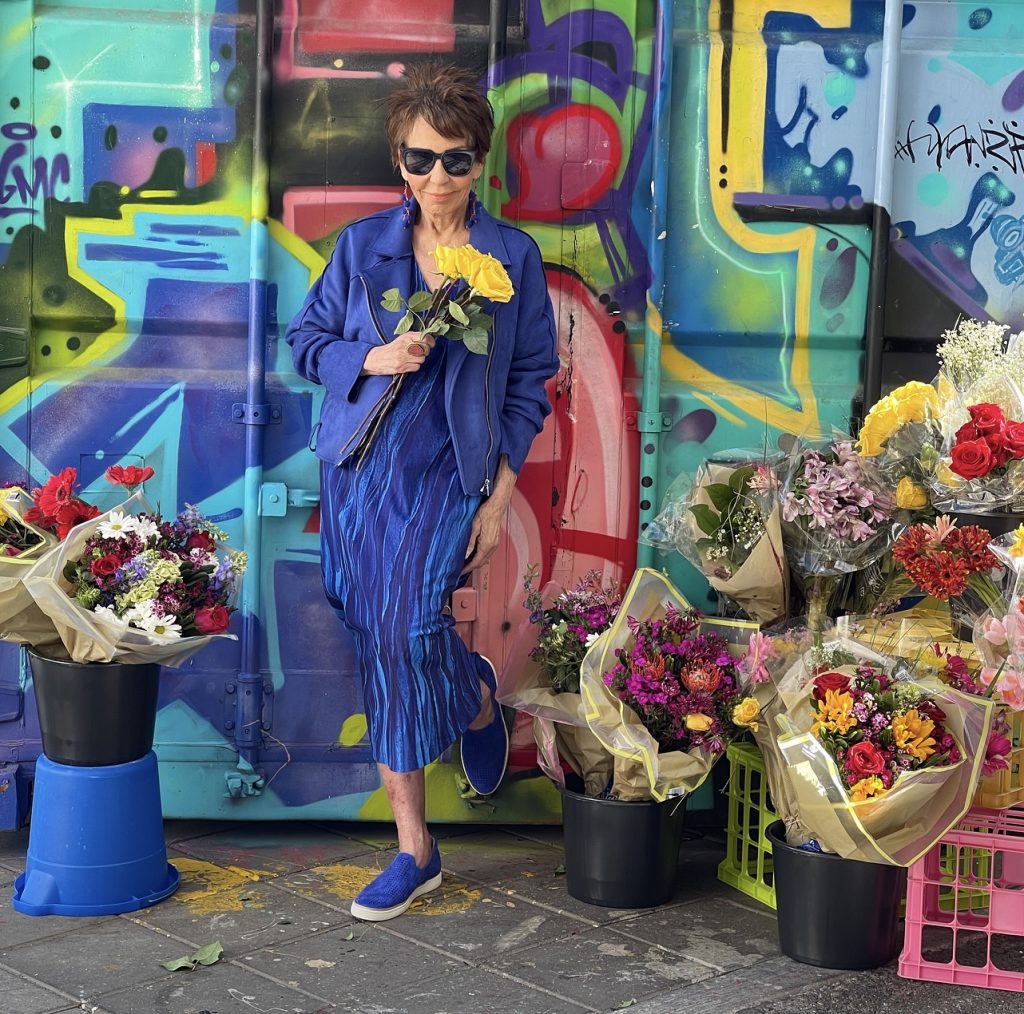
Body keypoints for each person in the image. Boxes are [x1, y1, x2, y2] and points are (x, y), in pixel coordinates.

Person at [285, 63, 559, 923]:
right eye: (418, 159)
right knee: (370, 627)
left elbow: (531, 379)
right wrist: (369, 358)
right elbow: (305, 340)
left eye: (456, 160)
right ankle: (474, 693)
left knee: (405, 628)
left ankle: (415, 851)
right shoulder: (363, 247)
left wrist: (499, 492)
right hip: (362, 466)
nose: (436, 177)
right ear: (397, 160)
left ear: (480, 165)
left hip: (449, 476)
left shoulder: (510, 258)